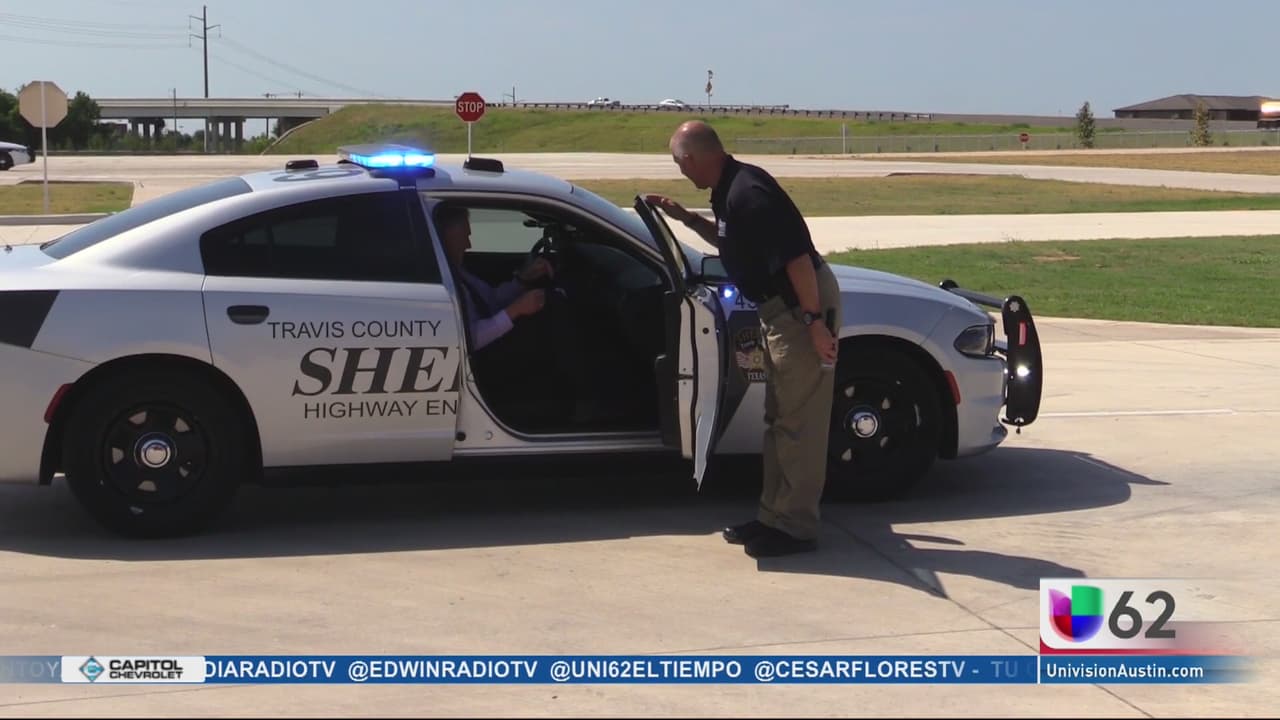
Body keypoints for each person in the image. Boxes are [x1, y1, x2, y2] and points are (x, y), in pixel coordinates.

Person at [647, 120, 842, 558]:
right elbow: (731, 241)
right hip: (782, 311)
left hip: (798, 308)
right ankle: (773, 517)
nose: (681, 172)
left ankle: (796, 527)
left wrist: (814, 322)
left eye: (680, 164)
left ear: (692, 157)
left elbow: (796, 260)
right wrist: (685, 218)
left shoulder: (749, 193)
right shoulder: (728, 190)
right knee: (778, 420)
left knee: (798, 425)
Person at [434, 204, 601, 425]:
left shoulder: (458, 273)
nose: (468, 244)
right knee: (552, 310)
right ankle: (587, 399)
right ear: (446, 236)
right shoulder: (441, 281)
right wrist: (515, 310)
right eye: (464, 236)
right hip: (478, 362)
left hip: (486, 349)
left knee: (547, 305)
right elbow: (466, 339)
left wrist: (523, 279)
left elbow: (490, 300)